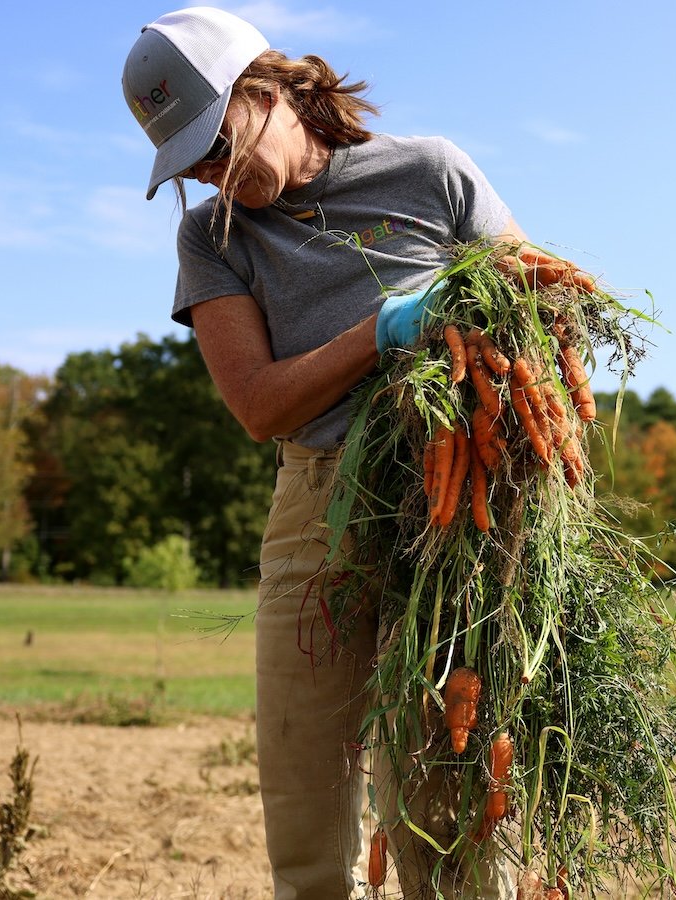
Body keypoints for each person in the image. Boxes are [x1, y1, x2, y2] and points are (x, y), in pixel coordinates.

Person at [122, 8, 531, 899]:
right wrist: (379, 334)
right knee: (306, 813)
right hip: (317, 509)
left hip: (449, 510)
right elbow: (260, 406)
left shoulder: (433, 173)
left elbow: (532, 310)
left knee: (445, 811)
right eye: (190, 164)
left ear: (270, 91)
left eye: (217, 144)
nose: (211, 176)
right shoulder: (213, 239)